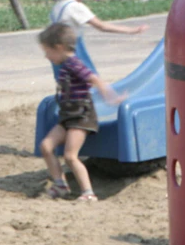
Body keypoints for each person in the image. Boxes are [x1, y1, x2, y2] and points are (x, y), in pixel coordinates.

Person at [36, 22, 125, 202]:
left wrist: (111, 97)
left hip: (81, 117)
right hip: (68, 117)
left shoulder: (73, 63)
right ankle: (60, 184)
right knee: (46, 146)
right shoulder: (66, 65)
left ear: (59, 47)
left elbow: (94, 78)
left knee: (70, 156)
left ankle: (88, 193)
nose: (46, 56)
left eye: (47, 51)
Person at [48, 0, 148, 62]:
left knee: (65, 81)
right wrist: (132, 30)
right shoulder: (76, 7)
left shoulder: (57, 6)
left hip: (56, 49)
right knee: (86, 78)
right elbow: (101, 26)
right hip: (73, 48)